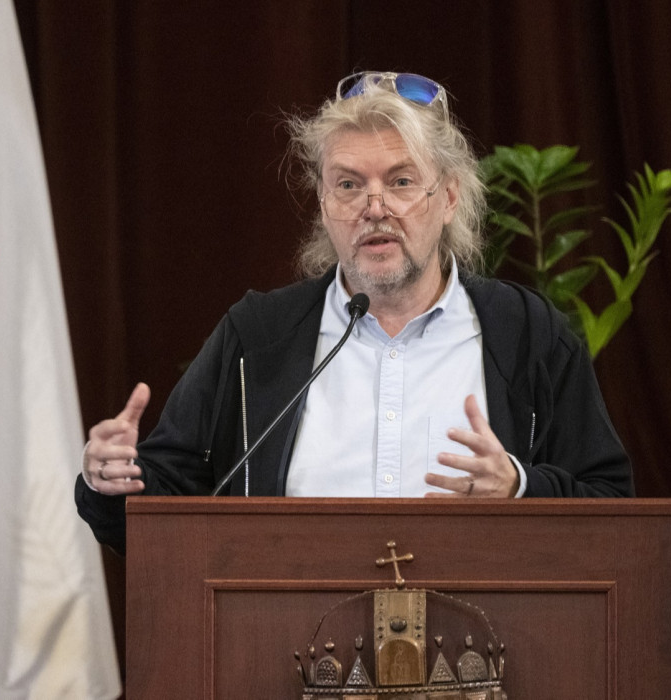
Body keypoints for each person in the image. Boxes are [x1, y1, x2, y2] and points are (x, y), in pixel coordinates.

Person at [75, 71, 634, 553]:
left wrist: (519, 488)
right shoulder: (258, 335)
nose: (374, 208)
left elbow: (612, 506)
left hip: (482, 639)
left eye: (401, 181)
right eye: (348, 184)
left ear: (449, 198)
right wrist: (111, 482)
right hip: (289, 638)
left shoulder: (528, 334)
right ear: (323, 203)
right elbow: (163, 506)